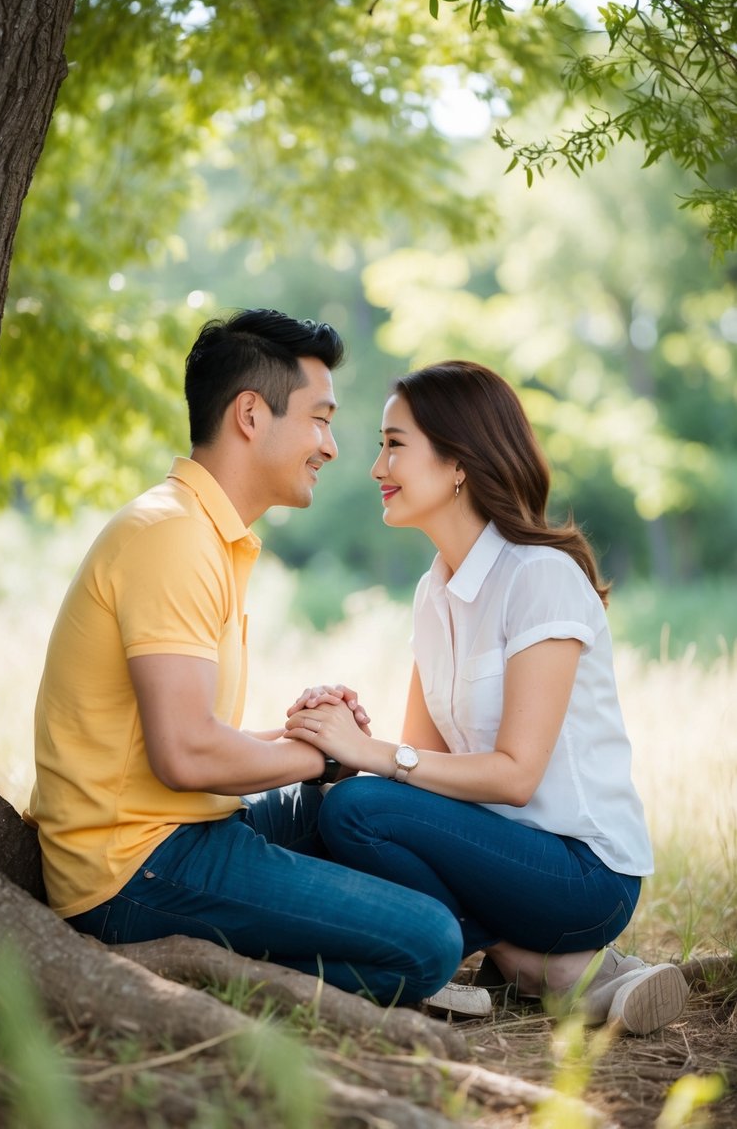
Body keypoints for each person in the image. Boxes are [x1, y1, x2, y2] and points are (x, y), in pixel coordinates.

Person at [26, 309, 462, 1005]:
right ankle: (213, 974)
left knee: (358, 804)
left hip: (180, 829)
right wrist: (321, 753)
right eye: (319, 419)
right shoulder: (171, 537)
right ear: (251, 415)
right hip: (134, 870)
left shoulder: (203, 533)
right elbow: (187, 756)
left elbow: (180, 743)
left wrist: (314, 743)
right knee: (428, 945)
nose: (330, 445)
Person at [285, 359, 689, 1034]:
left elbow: (514, 775)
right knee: (333, 805)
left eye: (393, 444)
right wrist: (343, 737)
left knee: (356, 810)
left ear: (457, 464)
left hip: (581, 874)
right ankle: (539, 966)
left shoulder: (539, 578)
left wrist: (377, 758)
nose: (374, 466)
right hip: (495, 854)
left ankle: (548, 963)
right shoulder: (431, 593)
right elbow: (419, 766)